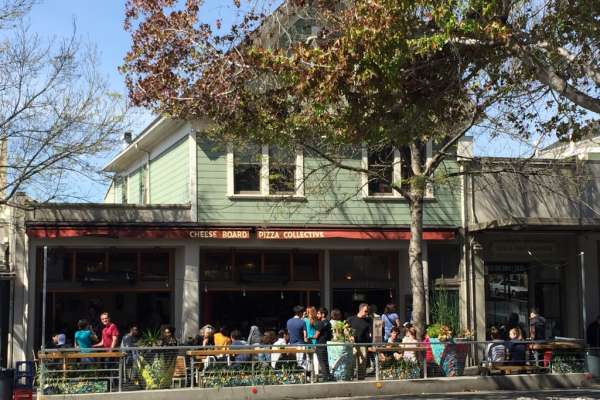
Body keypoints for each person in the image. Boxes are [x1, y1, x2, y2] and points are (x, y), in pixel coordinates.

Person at [347, 303, 372, 380]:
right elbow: (345, 329)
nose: (367, 313)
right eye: (365, 311)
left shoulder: (368, 320)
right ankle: (350, 377)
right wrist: (349, 336)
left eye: (368, 311)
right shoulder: (351, 319)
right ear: (360, 310)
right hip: (353, 344)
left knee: (362, 363)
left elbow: (371, 332)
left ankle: (361, 378)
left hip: (363, 344)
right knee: (351, 362)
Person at [313, 307, 333, 381]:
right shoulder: (328, 322)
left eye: (318, 313)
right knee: (325, 361)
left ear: (323, 314)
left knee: (321, 361)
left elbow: (316, 336)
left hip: (320, 344)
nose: (317, 315)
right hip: (326, 344)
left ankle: (325, 378)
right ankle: (328, 376)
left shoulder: (320, 323)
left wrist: (309, 337)